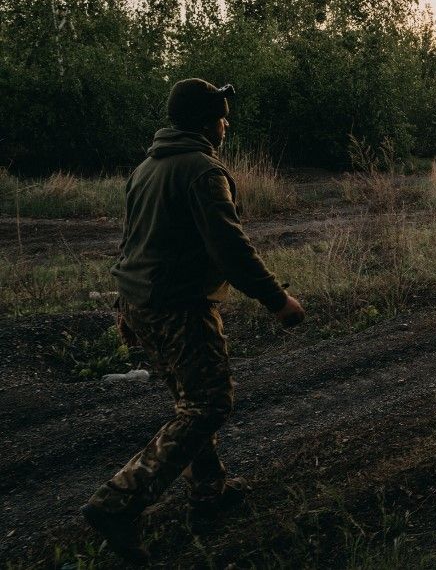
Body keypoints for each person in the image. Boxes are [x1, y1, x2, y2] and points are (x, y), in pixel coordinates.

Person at [80, 78, 306, 564]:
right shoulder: (202, 171)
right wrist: (278, 299)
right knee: (208, 406)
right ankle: (118, 502)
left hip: (144, 303)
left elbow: (132, 242)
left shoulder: (147, 167)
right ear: (207, 123)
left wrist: (125, 308)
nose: (227, 123)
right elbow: (229, 249)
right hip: (179, 306)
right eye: (222, 116)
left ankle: (208, 491)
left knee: (191, 400)